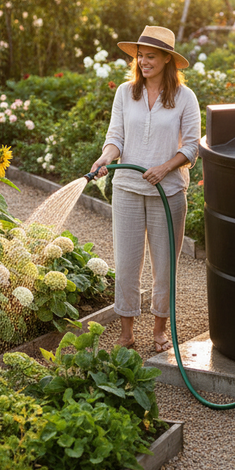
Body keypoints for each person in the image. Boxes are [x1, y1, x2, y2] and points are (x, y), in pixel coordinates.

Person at [90, 25, 201, 352]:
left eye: (151, 56)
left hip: (168, 194)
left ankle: (159, 330)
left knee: (164, 264)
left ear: (168, 59)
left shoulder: (185, 97)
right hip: (126, 189)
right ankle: (126, 333)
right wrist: (105, 157)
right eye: (140, 56)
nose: (143, 61)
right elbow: (116, 138)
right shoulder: (126, 92)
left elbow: (193, 146)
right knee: (126, 264)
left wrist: (166, 167)